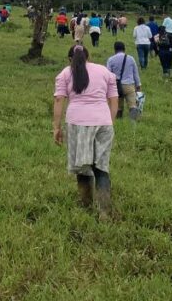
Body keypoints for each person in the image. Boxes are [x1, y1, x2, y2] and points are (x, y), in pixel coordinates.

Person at [52, 45, 118, 218]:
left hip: (78, 124)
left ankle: (86, 206)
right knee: (101, 168)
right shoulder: (104, 71)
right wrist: (110, 122)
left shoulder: (65, 73)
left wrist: (56, 127)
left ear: (69, 60)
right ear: (88, 57)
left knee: (82, 167)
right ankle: (104, 211)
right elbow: (114, 100)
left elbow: (59, 100)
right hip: (103, 123)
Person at [106, 41, 141, 120]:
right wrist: (138, 85)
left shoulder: (111, 60)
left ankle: (119, 120)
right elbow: (135, 73)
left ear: (115, 49)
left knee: (118, 106)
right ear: (124, 49)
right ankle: (133, 123)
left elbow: (108, 74)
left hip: (116, 86)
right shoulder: (131, 58)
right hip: (129, 85)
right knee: (133, 105)